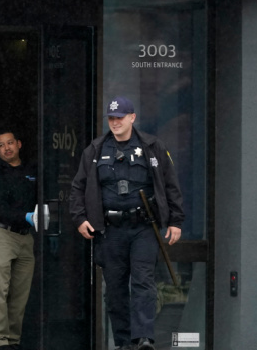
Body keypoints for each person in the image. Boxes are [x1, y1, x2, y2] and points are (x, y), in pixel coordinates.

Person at [69, 97, 184, 350]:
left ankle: (143, 339)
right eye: (111, 118)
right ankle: (123, 342)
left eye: (120, 117)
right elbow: (78, 187)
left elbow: (170, 185)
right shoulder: (96, 150)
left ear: (132, 118)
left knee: (143, 282)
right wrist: (79, 219)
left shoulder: (152, 146)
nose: (115, 122)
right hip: (111, 230)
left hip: (143, 227)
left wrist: (175, 221)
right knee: (115, 289)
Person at [0, 129, 37, 350]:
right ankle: (0, 341)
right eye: (1, 145)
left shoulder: (31, 170)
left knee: (20, 293)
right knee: (0, 290)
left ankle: (13, 340)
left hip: (25, 237)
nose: (7, 148)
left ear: (19, 144)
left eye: (10, 143)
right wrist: (24, 216)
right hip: (1, 234)